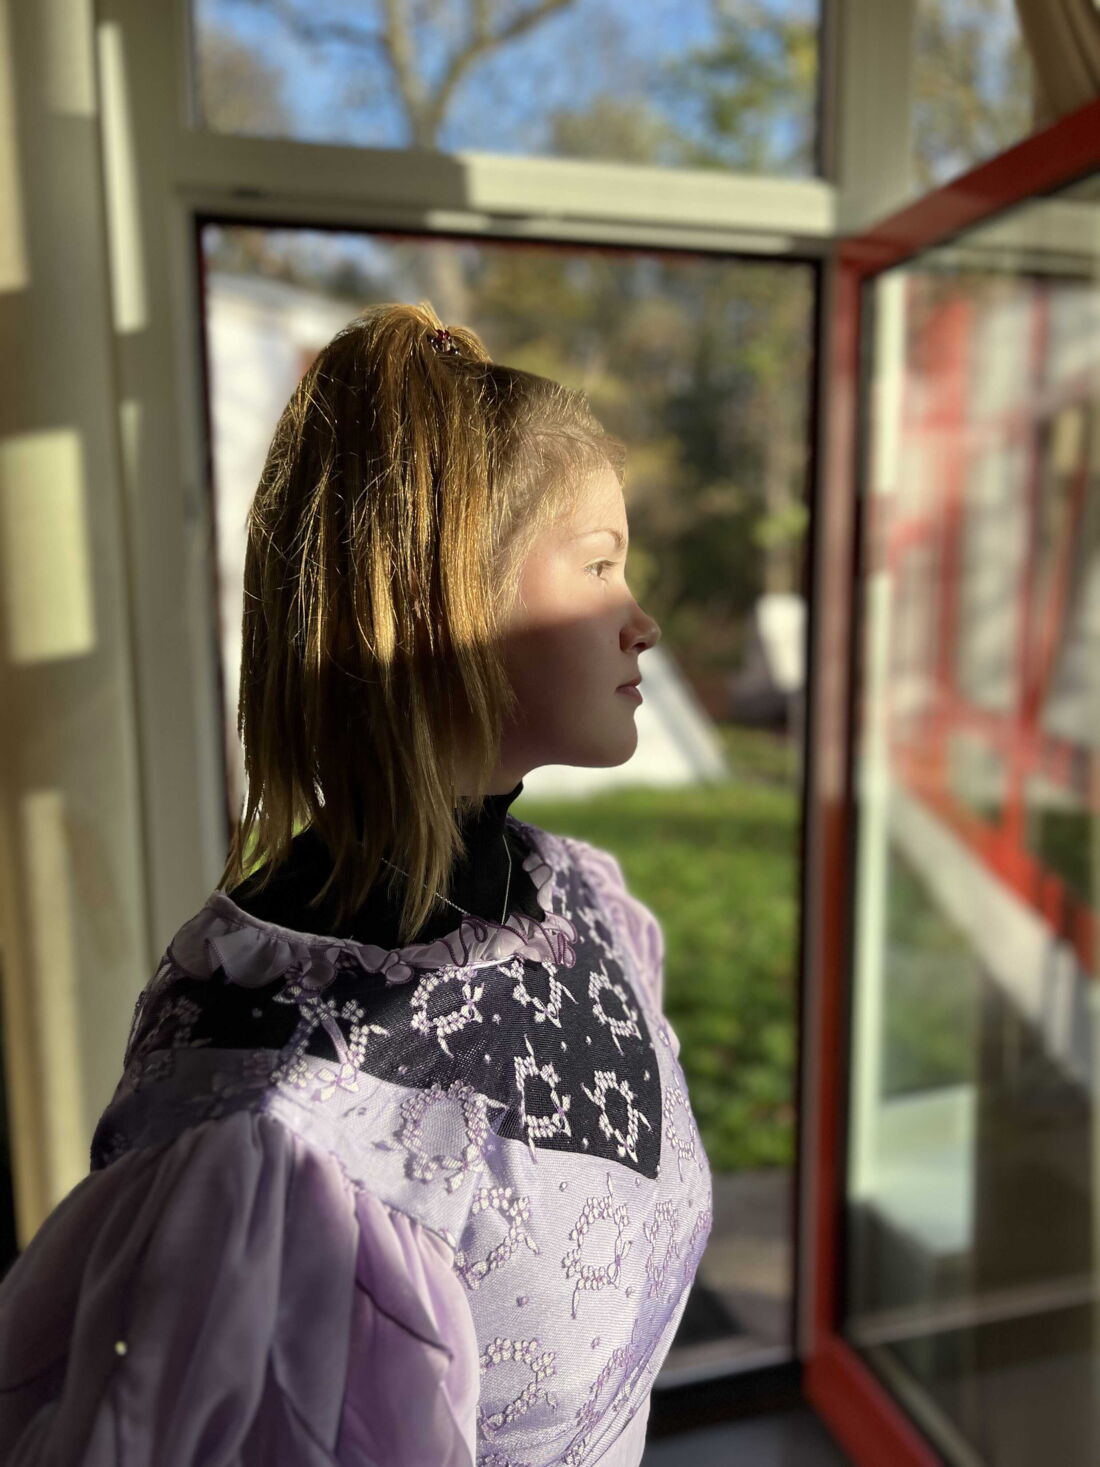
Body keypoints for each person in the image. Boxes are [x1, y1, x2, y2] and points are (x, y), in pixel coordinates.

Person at [0, 302, 714, 1466]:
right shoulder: (271, 1105)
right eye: (597, 565)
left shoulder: (580, 903)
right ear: (443, 594)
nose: (640, 623)